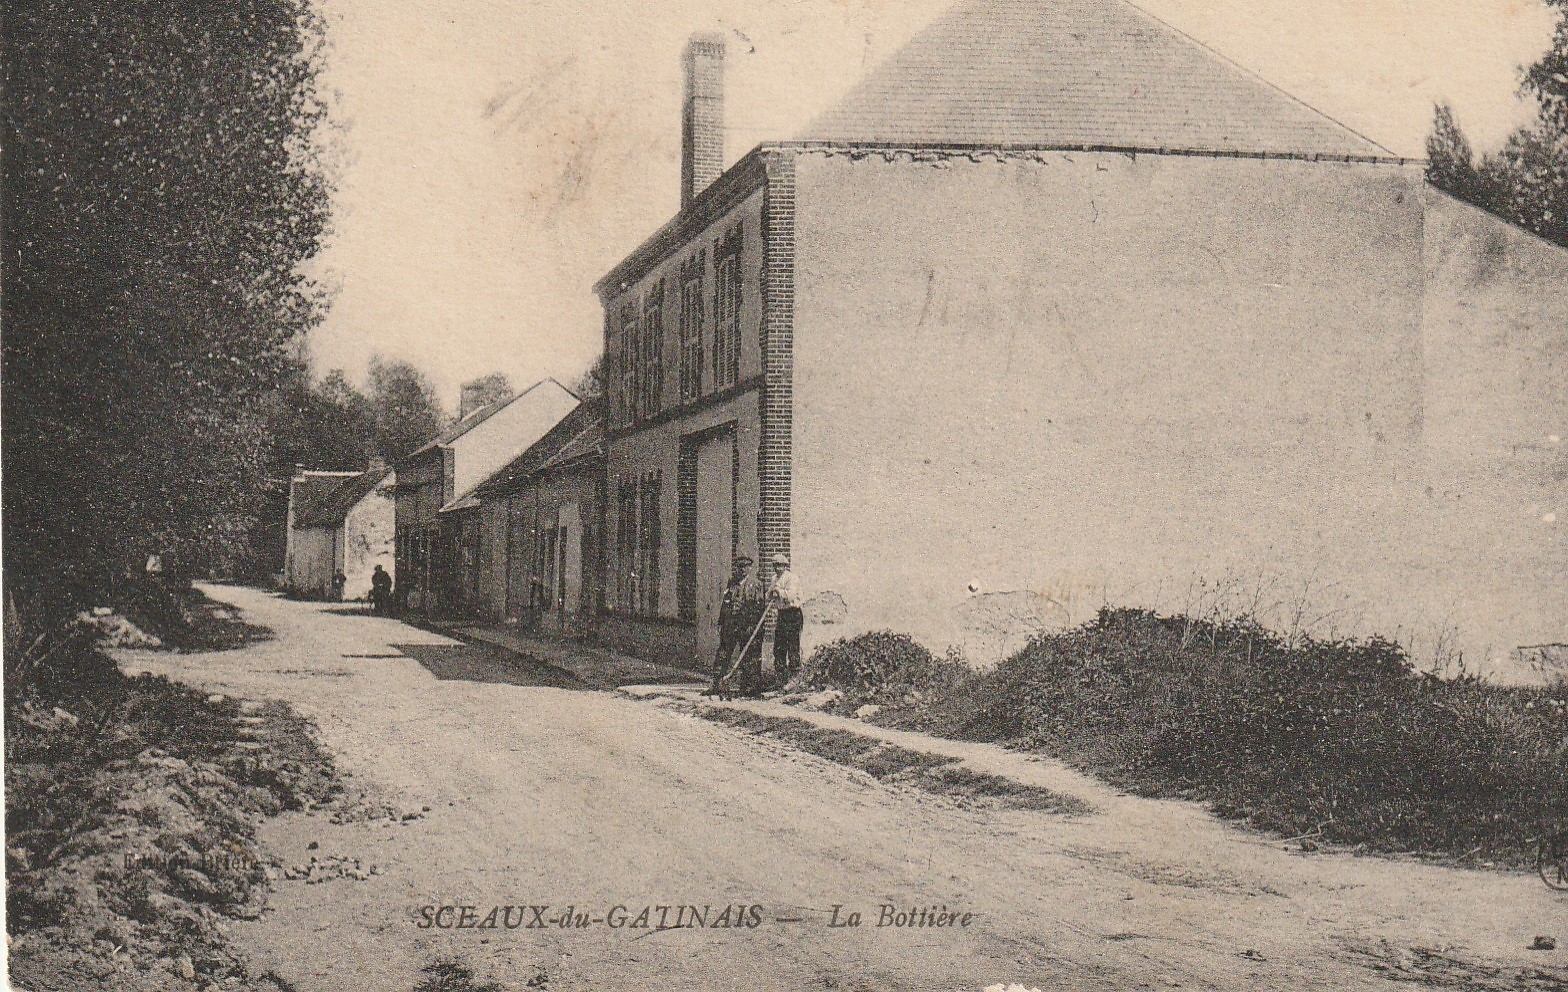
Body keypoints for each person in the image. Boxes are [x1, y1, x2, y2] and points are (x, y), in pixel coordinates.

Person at [709, 554, 766, 697]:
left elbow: (759, 608)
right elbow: (725, 604)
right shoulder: (732, 583)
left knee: (750, 656)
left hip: (747, 626)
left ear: (750, 568)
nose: (742, 570)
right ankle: (716, 684)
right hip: (730, 626)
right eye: (740, 567)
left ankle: (750, 688)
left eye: (745, 567)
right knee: (723, 654)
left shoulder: (756, 584)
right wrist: (721, 622)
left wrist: (753, 627)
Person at [769, 552, 804, 687]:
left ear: (785, 566)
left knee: (792, 645)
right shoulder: (774, 579)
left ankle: (794, 677)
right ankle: (781, 678)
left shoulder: (791, 578)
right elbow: (770, 595)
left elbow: (789, 596)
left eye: (780, 566)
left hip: (793, 614)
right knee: (779, 646)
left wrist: (778, 591)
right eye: (775, 566)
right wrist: (773, 592)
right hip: (782, 614)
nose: (777, 568)